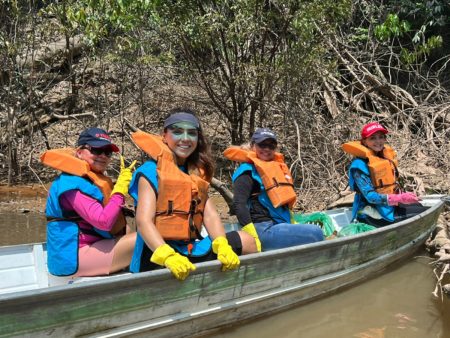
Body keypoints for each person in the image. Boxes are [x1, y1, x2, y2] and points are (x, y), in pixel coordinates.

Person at [128, 109, 257, 280]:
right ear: (164, 135)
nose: (185, 138)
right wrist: (167, 256)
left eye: (192, 133)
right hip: (158, 253)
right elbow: (143, 221)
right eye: (177, 131)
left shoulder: (196, 173)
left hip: (189, 247)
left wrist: (221, 243)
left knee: (247, 240)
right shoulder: (150, 171)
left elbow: (210, 215)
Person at [41, 127, 137, 276]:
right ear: (79, 152)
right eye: (96, 150)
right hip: (73, 257)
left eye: (107, 152)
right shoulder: (71, 185)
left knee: (146, 233)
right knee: (144, 239)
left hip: (93, 246)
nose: (103, 156)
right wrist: (119, 191)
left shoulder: (88, 182)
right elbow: (103, 222)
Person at [223, 128, 324, 251]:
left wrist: (292, 222)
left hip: (279, 225)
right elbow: (239, 204)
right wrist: (252, 236)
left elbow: (284, 204)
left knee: (313, 231)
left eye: (271, 146)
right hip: (263, 229)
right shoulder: (247, 172)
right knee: (316, 233)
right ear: (252, 145)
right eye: (262, 144)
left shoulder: (276, 169)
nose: (267, 149)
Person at [342, 122, 428, 227]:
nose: (378, 141)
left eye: (381, 137)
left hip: (388, 206)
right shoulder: (358, 167)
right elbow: (371, 197)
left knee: (418, 206)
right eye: (372, 138)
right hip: (371, 213)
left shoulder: (383, 157)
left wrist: (403, 195)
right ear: (364, 141)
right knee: (422, 213)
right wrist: (400, 198)